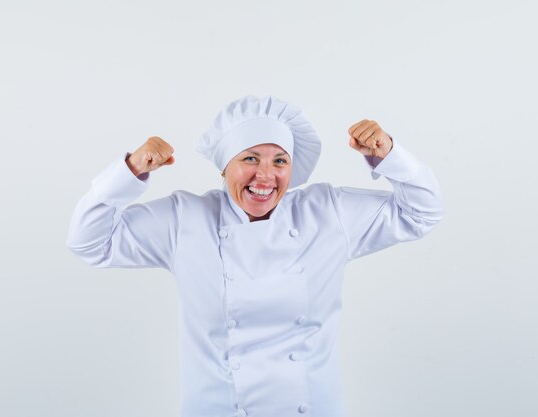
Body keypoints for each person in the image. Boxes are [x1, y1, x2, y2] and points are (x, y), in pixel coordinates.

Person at [67, 95, 444, 417]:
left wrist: (389, 156)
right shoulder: (185, 219)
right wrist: (129, 172)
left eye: (280, 161)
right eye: (250, 158)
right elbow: (89, 241)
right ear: (223, 165)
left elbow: (422, 213)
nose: (265, 175)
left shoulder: (327, 213)